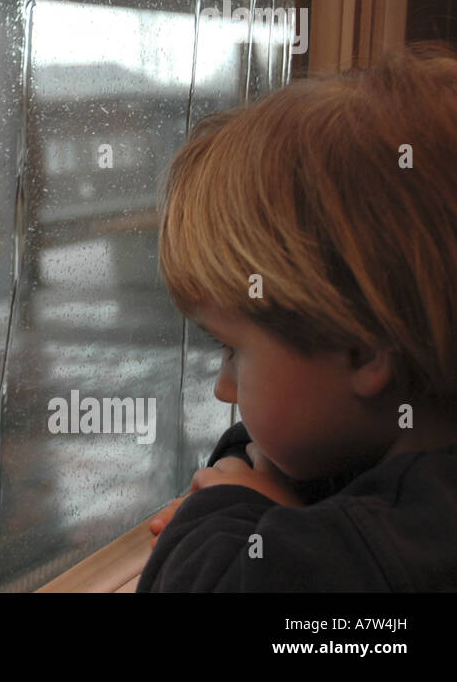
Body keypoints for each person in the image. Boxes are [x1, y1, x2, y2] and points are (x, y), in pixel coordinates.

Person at [137, 41, 457, 591]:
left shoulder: (382, 558)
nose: (224, 390)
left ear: (362, 350)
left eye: (234, 350)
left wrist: (229, 514)